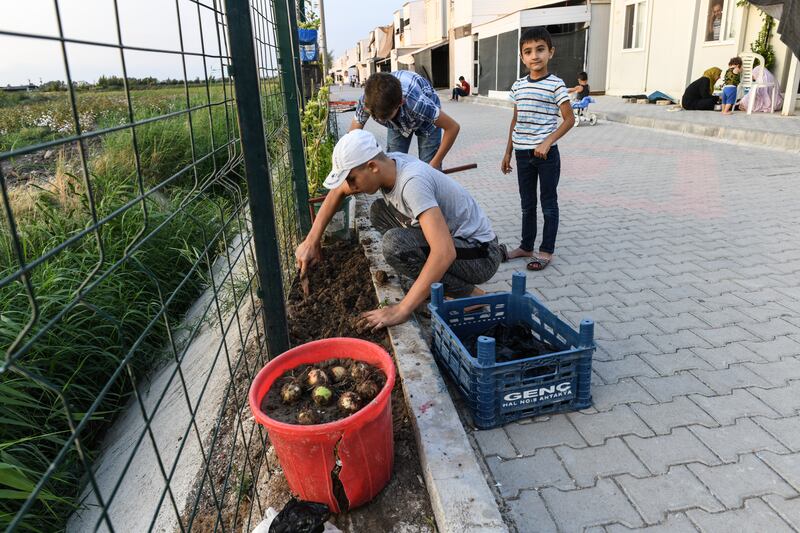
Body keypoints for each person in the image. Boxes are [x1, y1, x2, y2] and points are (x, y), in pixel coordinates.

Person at [295, 129, 503, 330]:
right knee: (378, 212)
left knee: (395, 245)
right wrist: (311, 241)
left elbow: (444, 252)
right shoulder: (389, 163)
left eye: (352, 179)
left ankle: (471, 296)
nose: (350, 187)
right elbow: (338, 191)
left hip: (481, 254)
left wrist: (401, 309)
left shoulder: (412, 183)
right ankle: (435, 285)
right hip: (458, 244)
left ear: (372, 166)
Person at [500, 27, 575, 272]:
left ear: (550, 52)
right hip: (522, 154)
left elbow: (569, 119)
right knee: (527, 203)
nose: (535, 56)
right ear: (522, 57)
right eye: (528, 51)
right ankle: (525, 246)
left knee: (548, 203)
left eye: (540, 50)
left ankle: (546, 251)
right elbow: (515, 120)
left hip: (546, 155)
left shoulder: (556, 85)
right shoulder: (518, 86)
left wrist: (547, 142)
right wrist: (508, 151)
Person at [350, 71, 460, 170]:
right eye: (376, 116)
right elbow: (352, 136)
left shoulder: (416, 103)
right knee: (392, 166)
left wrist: (435, 163)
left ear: (400, 102)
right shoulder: (368, 102)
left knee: (429, 170)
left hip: (427, 121)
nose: (380, 119)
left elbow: (453, 127)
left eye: (386, 117)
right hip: (399, 120)